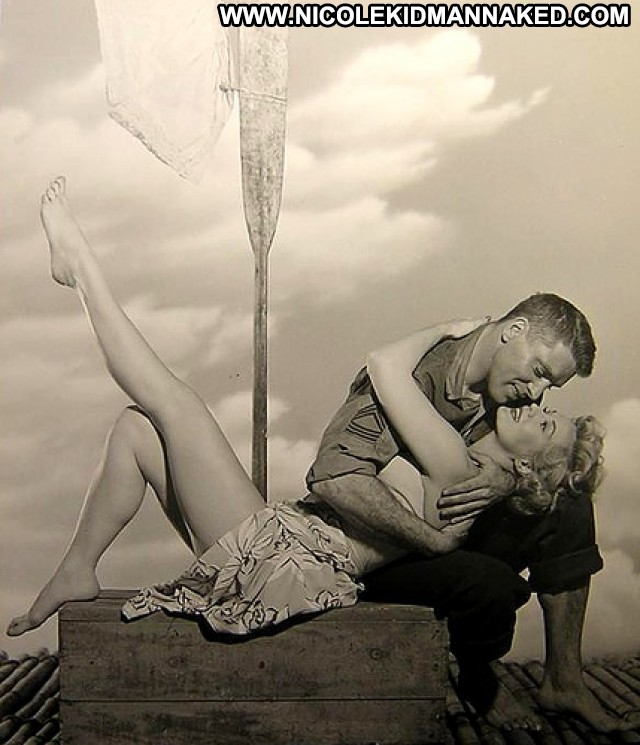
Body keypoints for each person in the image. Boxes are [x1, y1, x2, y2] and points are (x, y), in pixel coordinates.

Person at [306, 295, 632, 733]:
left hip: (447, 523)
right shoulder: (419, 375)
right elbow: (334, 479)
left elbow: (529, 459)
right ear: (513, 331)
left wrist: (508, 480)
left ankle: (564, 681)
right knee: (493, 585)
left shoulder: (506, 393)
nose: (536, 393)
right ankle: (478, 674)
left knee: (569, 500)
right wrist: (432, 540)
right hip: (381, 551)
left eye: (549, 386)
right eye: (539, 371)